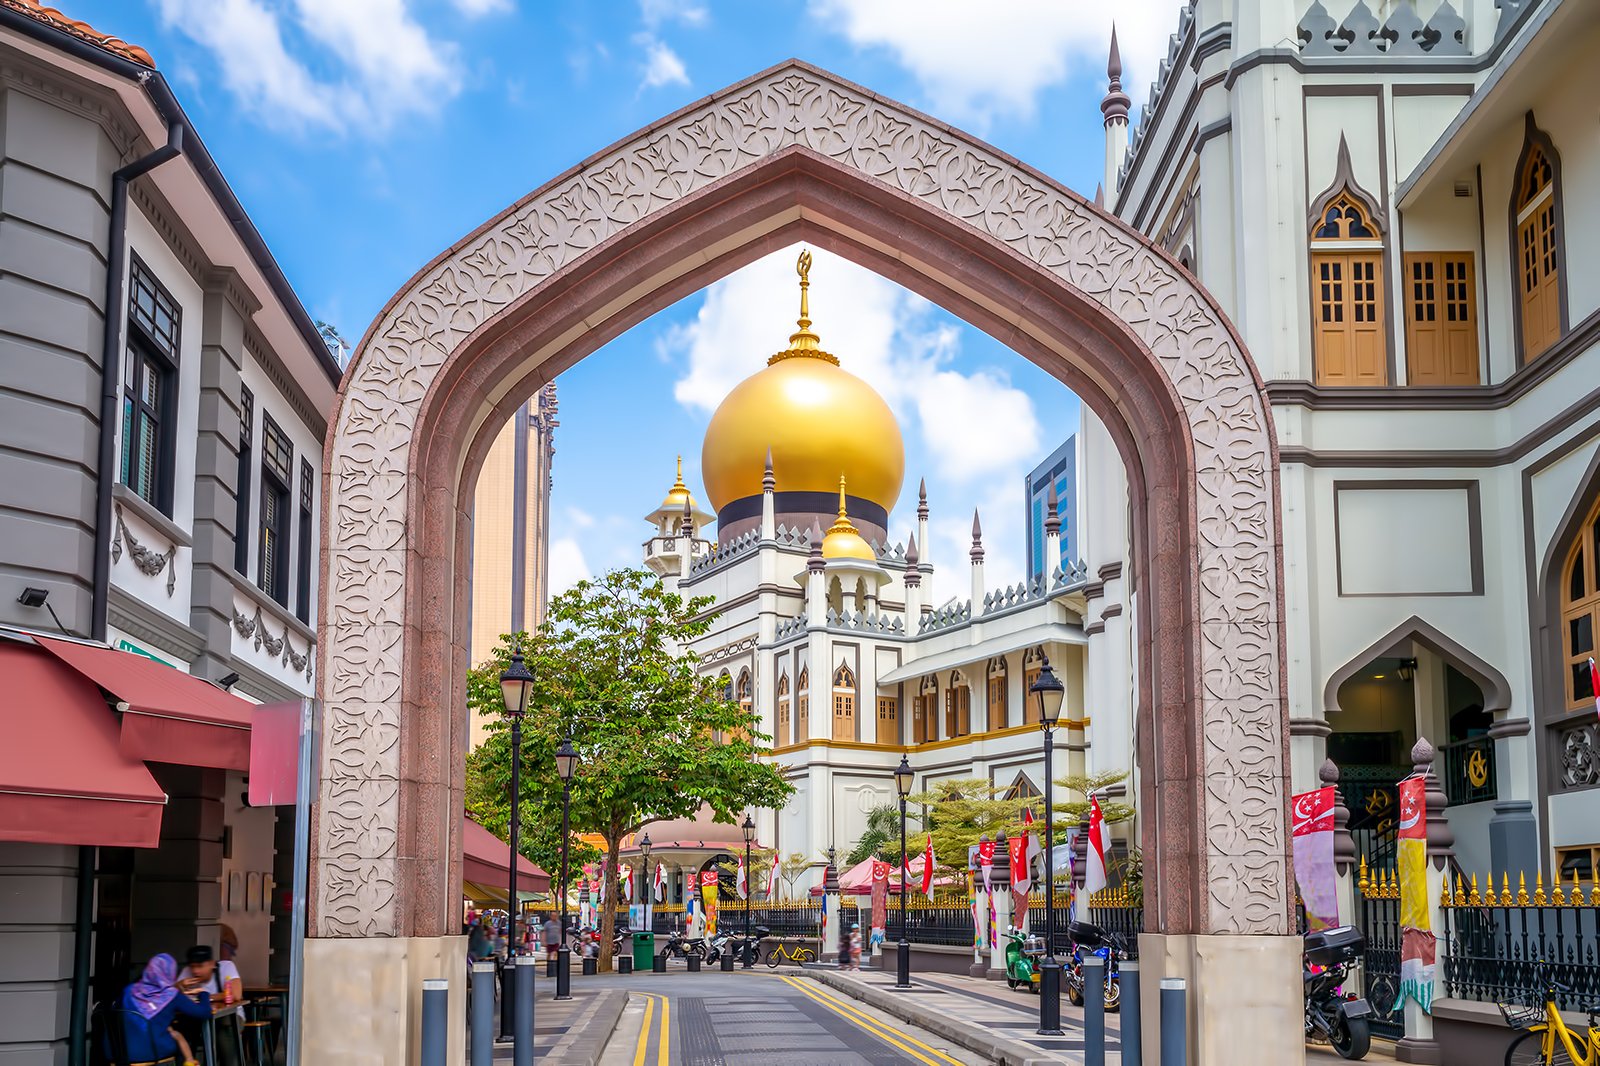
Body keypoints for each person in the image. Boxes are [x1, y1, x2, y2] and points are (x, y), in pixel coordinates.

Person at [117, 953, 210, 1066]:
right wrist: (204, 994)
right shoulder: (171, 995)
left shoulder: (129, 990)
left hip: (119, 1051)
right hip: (152, 1053)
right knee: (179, 1040)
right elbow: (204, 1013)